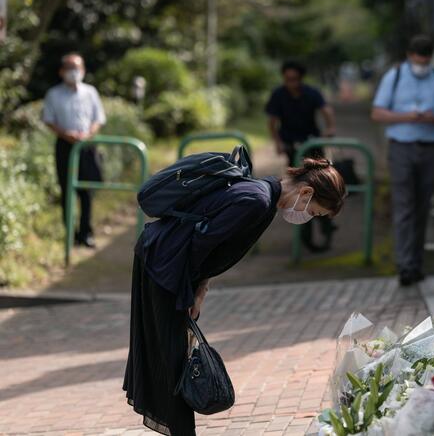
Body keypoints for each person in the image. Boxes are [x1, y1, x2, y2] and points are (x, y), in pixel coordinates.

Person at [124, 158, 346, 435]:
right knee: (171, 361)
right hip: (165, 264)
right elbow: (201, 243)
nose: (308, 216)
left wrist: (201, 288)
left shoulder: (262, 196)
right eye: (315, 212)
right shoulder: (257, 201)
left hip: (166, 260)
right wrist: (188, 290)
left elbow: (211, 243)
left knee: (173, 359)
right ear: (306, 193)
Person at [371, 35, 434, 286]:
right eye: (418, 59)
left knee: (422, 206)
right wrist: (406, 116)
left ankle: (416, 263)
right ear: (409, 55)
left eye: (426, 60)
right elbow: (377, 112)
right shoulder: (394, 77)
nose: (422, 65)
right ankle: (405, 265)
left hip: (430, 147)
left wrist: (432, 118)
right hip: (401, 148)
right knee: (404, 206)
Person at [265, 60, 338, 252]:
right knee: (301, 190)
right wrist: (278, 142)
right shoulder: (278, 95)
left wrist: (330, 128)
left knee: (321, 186)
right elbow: (272, 121)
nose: (292, 83)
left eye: (295, 79)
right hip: (292, 148)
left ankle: (326, 224)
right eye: (288, 79)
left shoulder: (311, 93)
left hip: (312, 146)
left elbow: (326, 110)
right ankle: (306, 232)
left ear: (300, 78)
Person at [42, 52, 106, 248]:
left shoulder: (91, 92)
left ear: (83, 70)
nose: (74, 72)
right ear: (62, 71)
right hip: (65, 146)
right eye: (69, 68)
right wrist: (66, 134)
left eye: (77, 68)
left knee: (87, 192)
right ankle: (70, 233)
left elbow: (99, 118)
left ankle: (86, 233)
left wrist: (88, 134)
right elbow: (49, 120)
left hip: (87, 146)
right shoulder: (53, 94)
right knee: (67, 189)